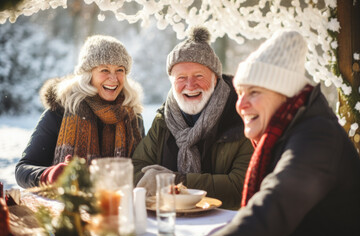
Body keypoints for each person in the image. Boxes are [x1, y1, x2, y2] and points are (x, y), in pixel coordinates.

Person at [206, 30, 360, 236]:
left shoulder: (317, 137)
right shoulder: (285, 131)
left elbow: (273, 207)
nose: (240, 105)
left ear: (285, 94)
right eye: (240, 93)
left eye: (254, 92)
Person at [132, 26, 253, 210]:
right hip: (171, 221)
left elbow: (240, 186)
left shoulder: (240, 115)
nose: (190, 85)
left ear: (215, 79)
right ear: (172, 82)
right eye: (181, 77)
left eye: (199, 75)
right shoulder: (165, 119)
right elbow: (136, 168)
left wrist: (177, 182)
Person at [16, 35, 145, 188]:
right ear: (88, 75)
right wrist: (48, 175)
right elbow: (23, 169)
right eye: (104, 69)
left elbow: (141, 168)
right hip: (67, 207)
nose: (113, 78)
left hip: (117, 206)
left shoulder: (132, 118)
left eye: (119, 70)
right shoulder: (60, 112)